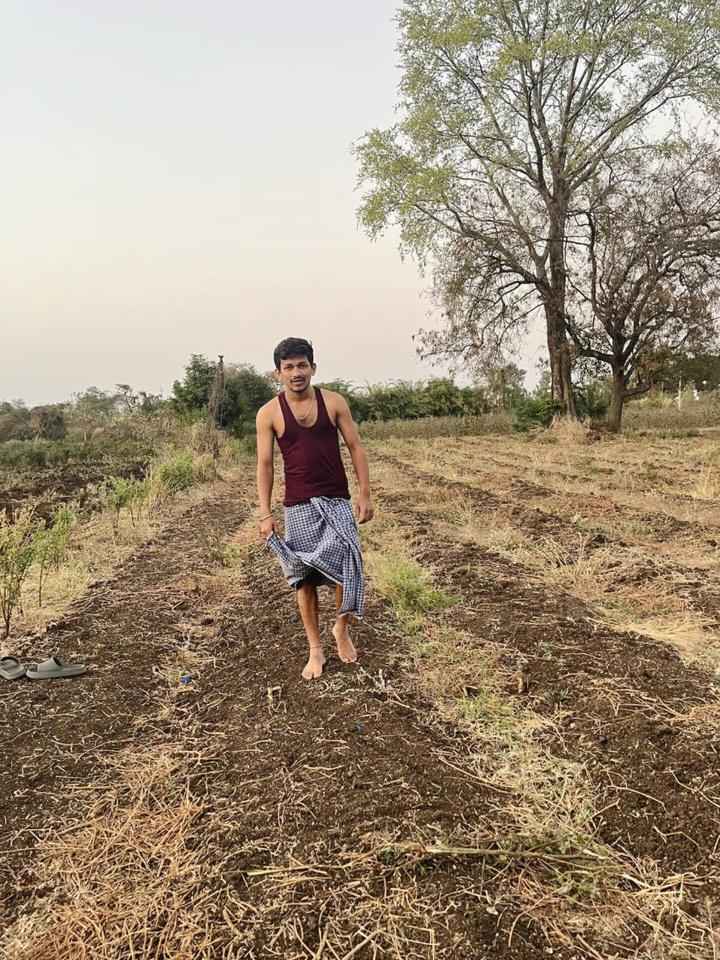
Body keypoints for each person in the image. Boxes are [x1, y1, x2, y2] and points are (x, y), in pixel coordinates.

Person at [255, 337, 374, 680]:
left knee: (347, 566)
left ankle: (341, 628)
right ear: (278, 373)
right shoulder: (269, 413)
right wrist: (265, 513)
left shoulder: (333, 402)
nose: (296, 373)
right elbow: (265, 464)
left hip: (336, 500)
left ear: (313, 368)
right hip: (298, 506)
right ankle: (315, 649)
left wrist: (365, 494)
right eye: (288, 367)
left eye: (302, 365)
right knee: (303, 579)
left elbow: (355, 446)